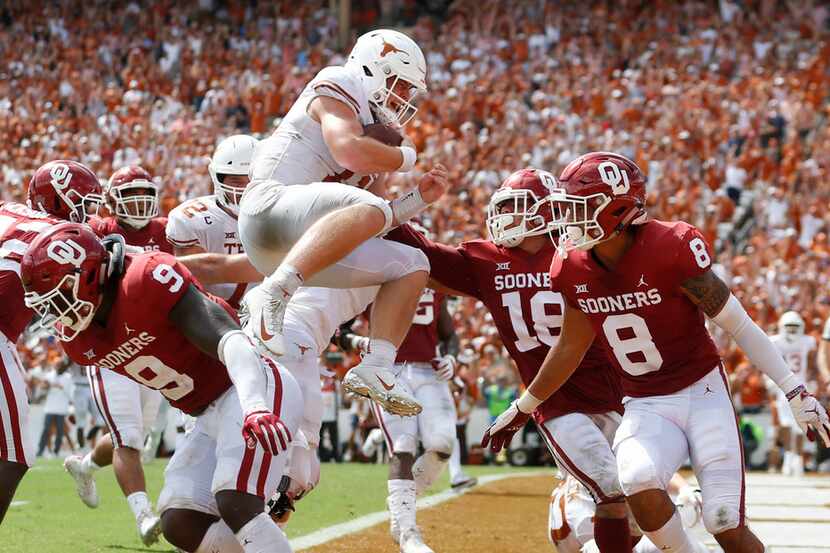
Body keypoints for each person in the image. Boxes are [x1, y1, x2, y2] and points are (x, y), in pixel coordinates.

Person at [484, 152, 830, 553]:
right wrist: (524, 406)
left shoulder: (670, 247)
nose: (568, 220)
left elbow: (737, 323)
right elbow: (570, 346)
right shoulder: (571, 266)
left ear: (617, 208)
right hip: (645, 401)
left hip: (702, 392)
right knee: (635, 479)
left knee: (724, 522)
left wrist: (792, 389)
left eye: (581, 208)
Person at [387, 169, 630, 553]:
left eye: (515, 208)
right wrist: (383, 207)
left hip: (616, 392)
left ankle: (572, 514)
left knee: (637, 504)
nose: (505, 217)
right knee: (610, 488)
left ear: (547, 211)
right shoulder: (487, 259)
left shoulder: (581, 250)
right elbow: (424, 253)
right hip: (555, 400)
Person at [21, 223, 302, 553]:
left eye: (60, 297)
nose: (56, 312)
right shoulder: (80, 342)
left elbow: (230, 338)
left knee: (235, 499)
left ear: (89, 275)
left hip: (247, 386)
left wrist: (254, 404)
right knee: (180, 521)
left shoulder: (146, 279)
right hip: (201, 415)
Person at [238, 28, 448, 417]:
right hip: (269, 210)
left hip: (299, 246)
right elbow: (348, 151)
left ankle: (377, 366)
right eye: (399, 84)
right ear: (374, 66)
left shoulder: (376, 133)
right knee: (366, 205)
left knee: (412, 264)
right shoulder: (339, 81)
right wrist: (405, 158)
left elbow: (375, 220)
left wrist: (418, 198)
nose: (402, 98)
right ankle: (273, 295)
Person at [63, 165, 168, 545]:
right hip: (107, 344)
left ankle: (85, 465)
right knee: (128, 439)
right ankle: (144, 515)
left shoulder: (167, 231)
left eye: (145, 194)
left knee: (134, 436)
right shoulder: (100, 230)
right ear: (110, 201)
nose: (139, 203)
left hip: (150, 345)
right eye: (130, 195)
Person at [0, 159, 102, 525]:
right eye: (82, 203)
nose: (87, 213)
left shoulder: (8, 211)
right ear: (55, 200)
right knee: (12, 454)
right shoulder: (58, 233)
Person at [346, 283, 460, 553]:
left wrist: (452, 357)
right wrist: (358, 342)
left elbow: (449, 334)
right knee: (403, 445)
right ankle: (408, 533)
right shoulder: (373, 278)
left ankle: (400, 503)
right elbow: (340, 329)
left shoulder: (431, 280)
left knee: (443, 445)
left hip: (429, 371)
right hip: (388, 370)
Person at [549, 473, 704, 553]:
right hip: (594, 537)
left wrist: (683, 487)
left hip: (578, 533)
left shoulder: (583, 474)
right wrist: (684, 488)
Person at [769, 311, 818, 476]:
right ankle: (790, 455)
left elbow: (812, 363)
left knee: (798, 425)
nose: (791, 330)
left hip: (799, 386)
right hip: (784, 386)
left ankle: (796, 457)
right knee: (786, 424)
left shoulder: (807, 341)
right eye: (788, 326)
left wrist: (813, 381)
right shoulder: (776, 341)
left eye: (794, 326)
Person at [36, 357, 74, 457]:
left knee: (60, 431)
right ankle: (40, 451)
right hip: (49, 408)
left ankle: (56, 451)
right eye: (56, 364)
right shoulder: (48, 376)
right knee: (46, 429)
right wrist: (47, 386)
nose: (58, 366)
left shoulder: (68, 377)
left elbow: (70, 393)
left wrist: (60, 387)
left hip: (61, 409)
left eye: (59, 364)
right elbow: (42, 389)